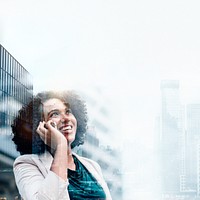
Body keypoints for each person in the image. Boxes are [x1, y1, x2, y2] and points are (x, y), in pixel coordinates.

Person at [11, 90, 112, 200]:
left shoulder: (92, 166)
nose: (66, 119)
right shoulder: (26, 164)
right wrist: (61, 146)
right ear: (39, 126)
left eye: (68, 112)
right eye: (55, 114)